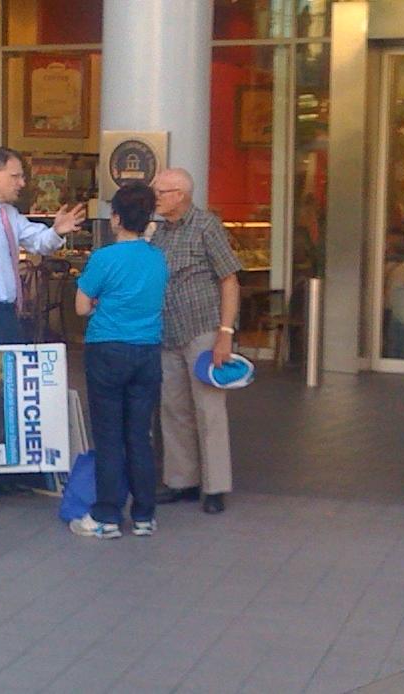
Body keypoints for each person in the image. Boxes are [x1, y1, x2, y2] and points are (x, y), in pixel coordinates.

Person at [69, 182, 168, 539]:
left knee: (109, 436)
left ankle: (107, 515)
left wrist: (99, 303)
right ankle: (144, 514)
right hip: (147, 351)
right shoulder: (158, 257)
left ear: (116, 218)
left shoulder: (103, 258)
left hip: (107, 349)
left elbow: (81, 307)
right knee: (139, 435)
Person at [150, 168, 241, 514]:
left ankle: (215, 486)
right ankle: (181, 480)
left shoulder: (206, 226)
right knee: (173, 408)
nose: (156, 198)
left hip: (202, 327)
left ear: (181, 195)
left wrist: (225, 334)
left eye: (162, 192)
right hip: (168, 331)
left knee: (209, 408)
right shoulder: (159, 232)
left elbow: (229, 280)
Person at [0, 147, 86, 355]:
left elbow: (38, 241)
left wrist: (57, 231)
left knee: (8, 378)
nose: (21, 183)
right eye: (15, 176)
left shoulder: (10, 214)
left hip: (9, 312)